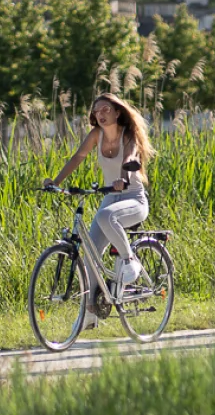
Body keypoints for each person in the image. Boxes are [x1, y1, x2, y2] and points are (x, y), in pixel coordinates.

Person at [49, 93, 156, 288]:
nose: (100, 114)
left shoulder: (128, 135)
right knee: (91, 254)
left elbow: (129, 158)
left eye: (106, 109)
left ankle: (129, 261)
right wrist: (55, 182)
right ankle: (92, 305)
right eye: (96, 111)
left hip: (134, 198)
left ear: (117, 112)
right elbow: (78, 157)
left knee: (105, 216)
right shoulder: (96, 135)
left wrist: (123, 179)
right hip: (111, 197)